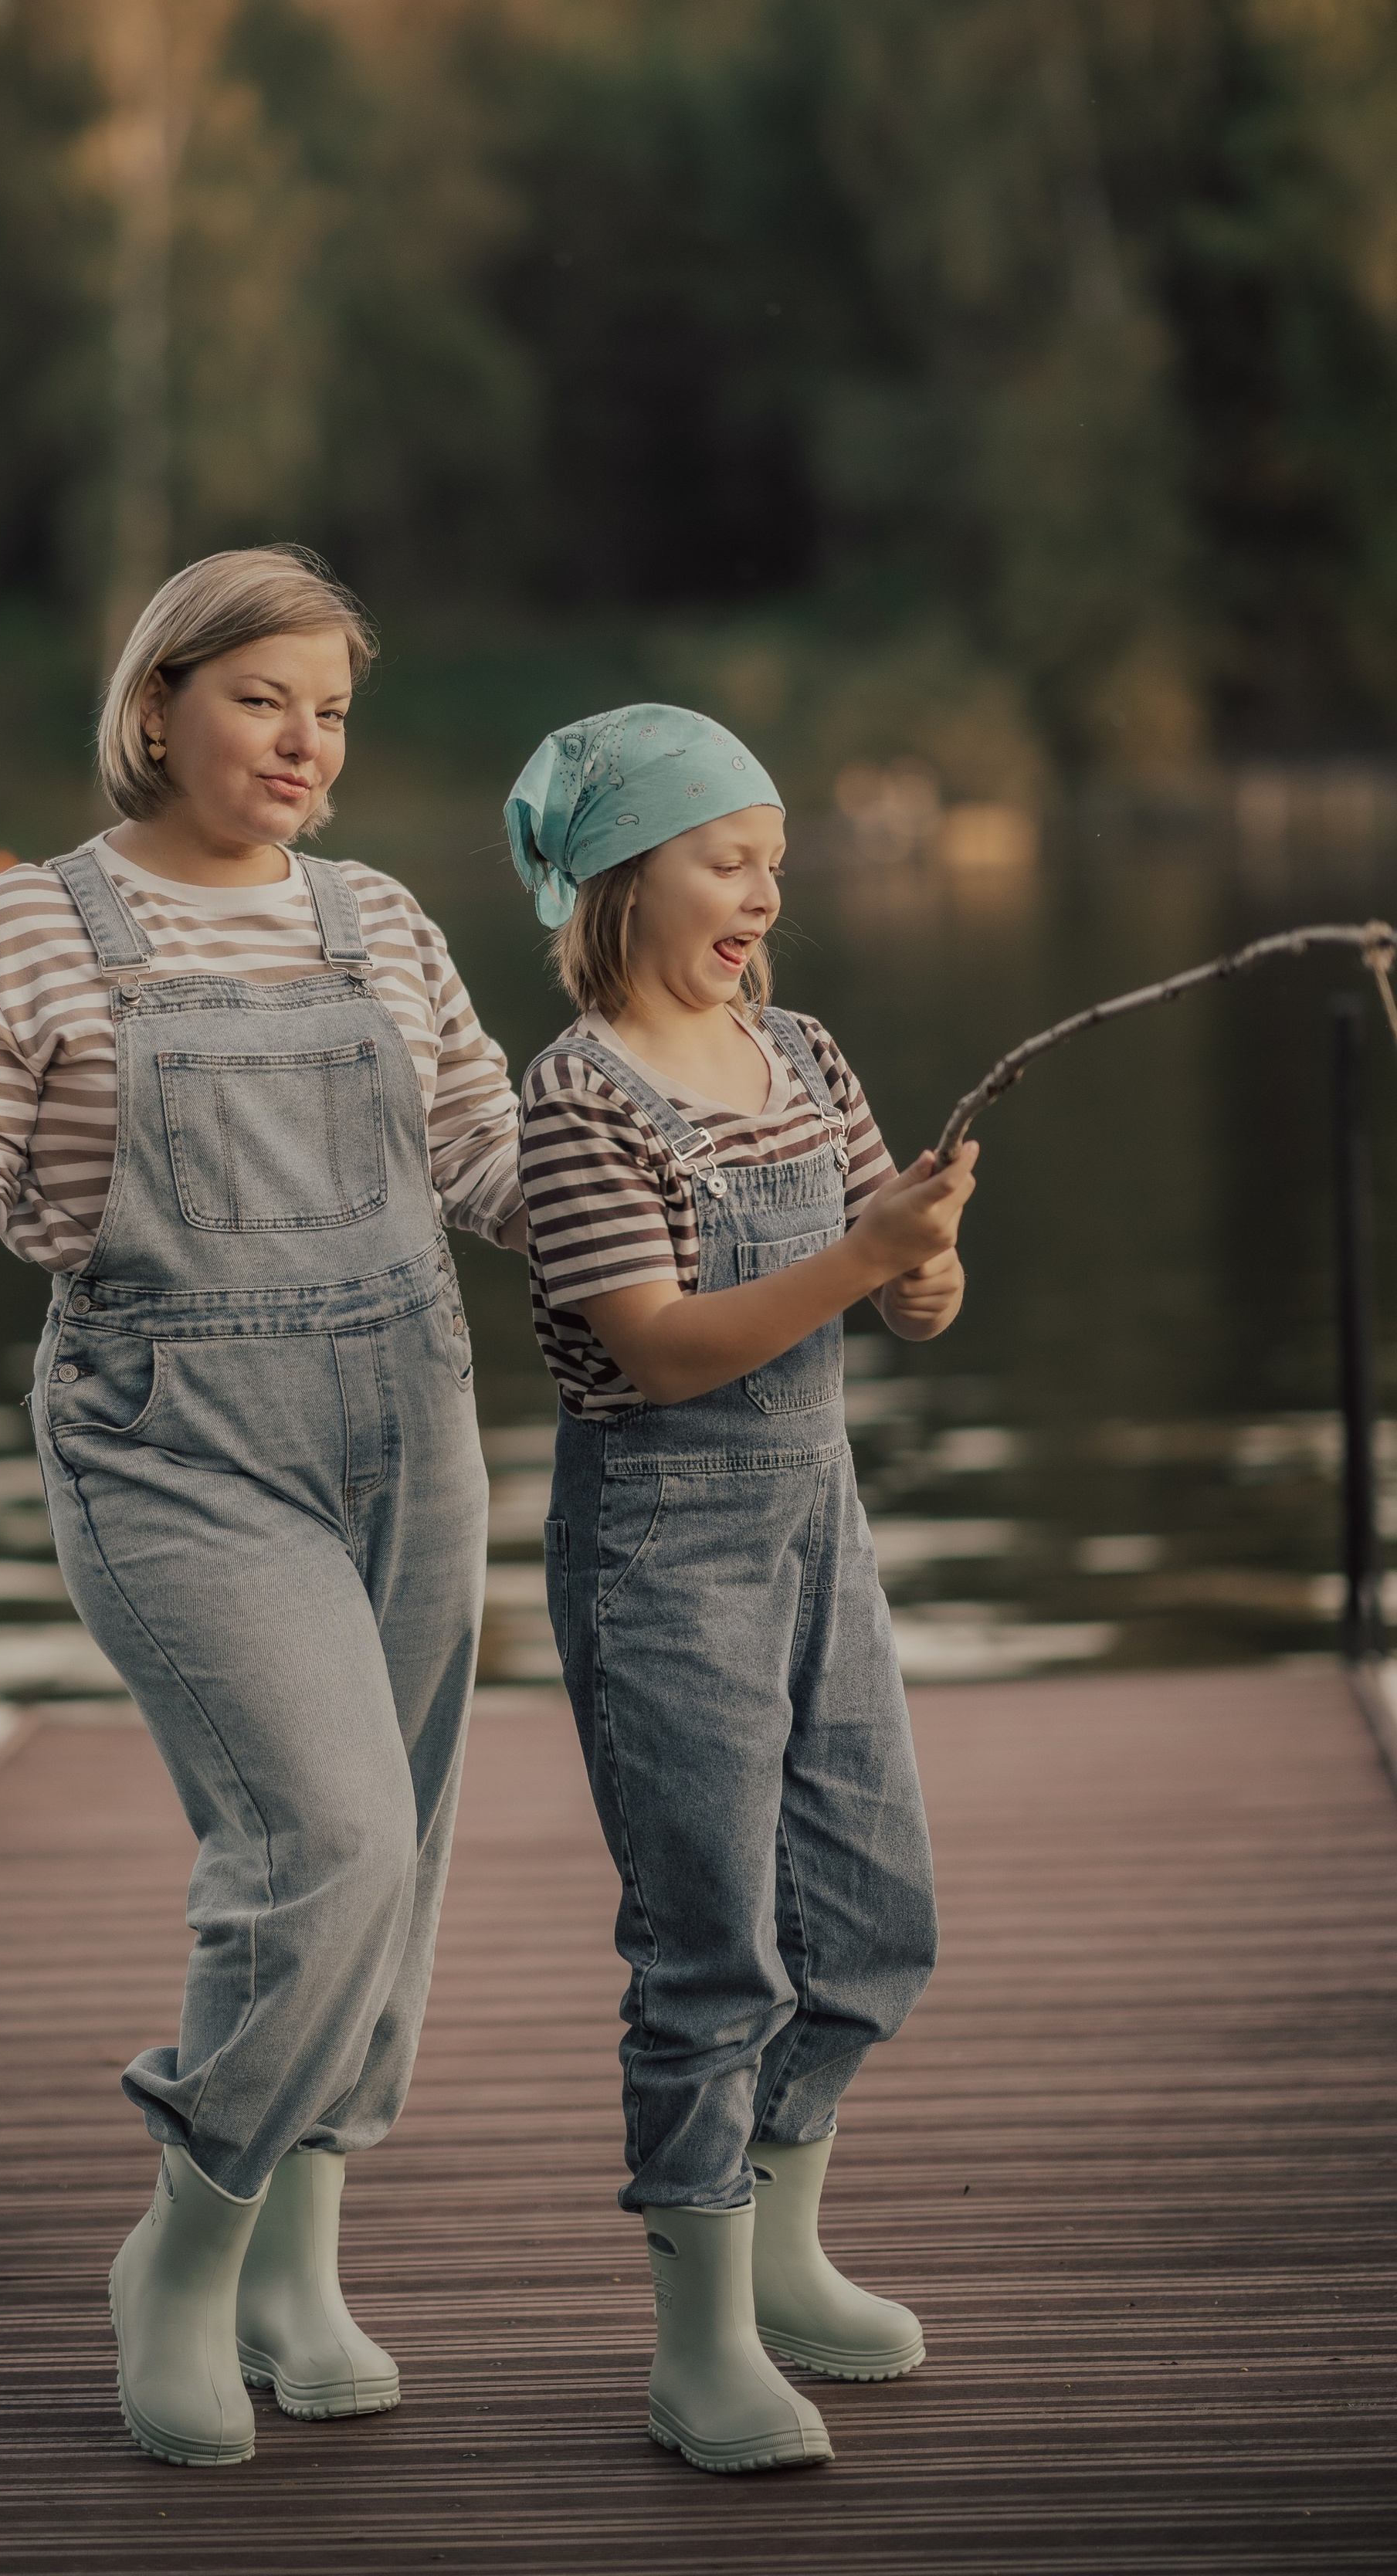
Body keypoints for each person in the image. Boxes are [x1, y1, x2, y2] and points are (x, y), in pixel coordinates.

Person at [0, 548, 524, 2468]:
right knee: (327, 1841)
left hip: (410, 1422)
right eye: (264, 700)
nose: (307, 741)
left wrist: (718, 1213)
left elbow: (480, 1147)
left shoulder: (377, 917)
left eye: (332, 712)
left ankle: (302, 2265)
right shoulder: (17, 936)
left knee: (405, 1849)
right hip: (169, 1439)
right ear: (157, 705)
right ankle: (184, 2247)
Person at [504, 704, 976, 2477]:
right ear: (625, 879)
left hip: (815, 1531)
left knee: (869, 1919)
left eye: (772, 861)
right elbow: (663, 1349)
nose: (761, 891)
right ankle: (692, 2343)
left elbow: (901, 1291)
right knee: (709, 1950)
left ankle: (781, 2253)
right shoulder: (571, 1103)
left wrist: (916, 1264)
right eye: (727, 857)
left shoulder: (803, 1050)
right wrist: (857, 1259)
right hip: (660, 1549)